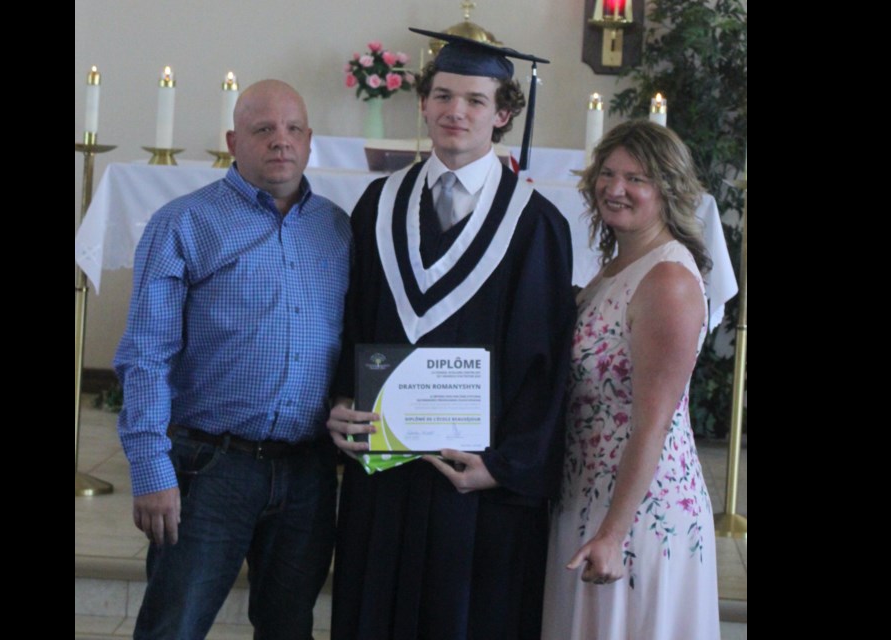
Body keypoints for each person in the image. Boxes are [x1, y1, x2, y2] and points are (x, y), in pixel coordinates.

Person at [327, 28, 576, 640]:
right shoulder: (377, 206)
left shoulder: (536, 223)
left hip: (476, 481)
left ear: (503, 114)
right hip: (383, 471)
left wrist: (505, 465)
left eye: (474, 100)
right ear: (423, 103)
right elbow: (350, 322)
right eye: (442, 95)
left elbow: (546, 364)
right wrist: (338, 402)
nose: (454, 111)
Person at [113, 79, 350, 640]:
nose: (280, 142)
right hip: (210, 467)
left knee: (289, 628)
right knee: (174, 627)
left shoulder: (338, 230)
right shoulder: (184, 223)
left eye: (293, 129)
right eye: (262, 129)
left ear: (310, 140)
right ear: (233, 139)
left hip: (308, 472)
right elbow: (146, 355)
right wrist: (150, 468)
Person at [541, 120, 721, 639]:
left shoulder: (668, 279)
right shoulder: (618, 266)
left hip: (640, 511)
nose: (614, 189)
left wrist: (614, 532)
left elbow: (653, 423)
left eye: (636, 179)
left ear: (668, 189)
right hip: (588, 490)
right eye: (608, 174)